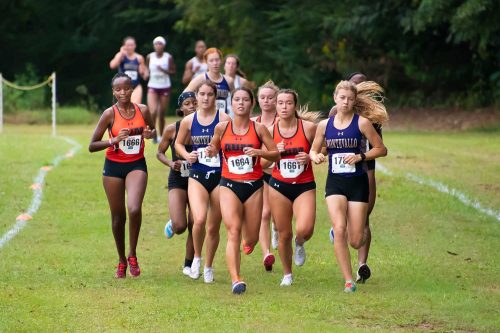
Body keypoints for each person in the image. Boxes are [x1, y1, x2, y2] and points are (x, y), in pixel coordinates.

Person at [310, 80, 387, 293]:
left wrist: (360, 156)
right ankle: (348, 280)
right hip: (335, 183)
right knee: (340, 228)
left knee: (355, 240)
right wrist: (316, 156)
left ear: (355, 101)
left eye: (350, 99)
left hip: (358, 184)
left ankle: (344, 237)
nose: (346, 102)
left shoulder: (362, 123)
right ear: (335, 98)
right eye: (342, 98)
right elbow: (314, 150)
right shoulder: (325, 125)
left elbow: (381, 149)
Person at [205, 87, 279, 294]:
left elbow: (275, 155)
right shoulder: (221, 128)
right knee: (233, 231)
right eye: (236, 99)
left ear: (251, 103)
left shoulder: (259, 129)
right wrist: (211, 150)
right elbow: (213, 147)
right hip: (228, 184)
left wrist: (259, 152)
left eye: (245, 100)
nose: (240, 103)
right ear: (231, 103)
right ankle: (236, 279)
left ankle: (250, 242)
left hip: (254, 186)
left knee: (251, 237)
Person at [88, 73, 155, 278]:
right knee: (118, 217)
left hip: (136, 164)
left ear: (132, 89)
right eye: (118, 89)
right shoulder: (109, 114)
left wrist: (150, 134)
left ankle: (132, 254)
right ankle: (121, 260)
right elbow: (92, 145)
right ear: (113, 92)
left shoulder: (143, 110)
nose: (123, 92)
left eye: (126, 88)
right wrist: (113, 140)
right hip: (113, 167)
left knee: (134, 208)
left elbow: (152, 130)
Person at [328, 72, 385, 284]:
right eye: (354, 85)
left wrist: (362, 156)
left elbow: (379, 146)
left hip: (366, 166)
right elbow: (328, 140)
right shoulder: (335, 112)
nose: (357, 89)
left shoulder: (372, 114)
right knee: (344, 222)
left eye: (361, 86)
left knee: (365, 217)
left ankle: (362, 263)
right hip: (338, 174)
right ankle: (338, 227)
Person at [175, 80, 231, 283]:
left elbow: (231, 145)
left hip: (219, 176)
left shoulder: (223, 119)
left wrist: (218, 149)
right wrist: (186, 155)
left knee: (213, 226)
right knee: (198, 219)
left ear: (215, 97)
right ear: (196, 96)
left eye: (209, 94)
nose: (206, 98)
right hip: (197, 174)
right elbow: (179, 143)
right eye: (202, 94)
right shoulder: (189, 121)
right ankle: (196, 258)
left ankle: (208, 266)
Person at [265, 89, 319, 287]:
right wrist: (273, 155)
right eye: (280, 103)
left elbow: (322, 149)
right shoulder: (269, 131)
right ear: (276, 106)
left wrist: (311, 155)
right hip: (278, 185)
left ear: (295, 105)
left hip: (304, 184)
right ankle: (287, 274)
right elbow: (260, 164)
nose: (284, 107)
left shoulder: (309, 128)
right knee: (284, 233)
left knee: (305, 228)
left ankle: (300, 243)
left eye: (288, 103)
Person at [157, 91, 197, 276]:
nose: (192, 106)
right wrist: (172, 163)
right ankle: (172, 224)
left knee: (195, 223)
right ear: (181, 108)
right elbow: (159, 153)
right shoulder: (172, 129)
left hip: (199, 179)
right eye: (187, 103)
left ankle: (189, 265)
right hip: (178, 178)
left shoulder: (206, 129)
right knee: (181, 225)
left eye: (194, 102)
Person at [251, 80, 280, 271]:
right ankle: (266, 253)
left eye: (270, 97)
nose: (266, 101)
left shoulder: (283, 120)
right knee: (264, 213)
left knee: (278, 216)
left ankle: (277, 230)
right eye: (262, 97)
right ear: (258, 100)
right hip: (259, 172)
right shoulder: (253, 122)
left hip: (279, 172)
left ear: (277, 100)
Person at [184, 48, 234, 116]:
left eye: (217, 60)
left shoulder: (229, 81)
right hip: (205, 120)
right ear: (206, 62)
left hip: (223, 120)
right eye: (211, 60)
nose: (215, 63)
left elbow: (235, 99)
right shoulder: (201, 79)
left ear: (221, 61)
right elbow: (184, 95)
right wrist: (195, 107)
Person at [147, 36, 176, 142]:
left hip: (165, 86)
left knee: (162, 113)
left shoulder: (168, 57)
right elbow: (147, 69)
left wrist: (164, 70)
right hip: (153, 86)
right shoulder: (150, 57)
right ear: (154, 45)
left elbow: (173, 71)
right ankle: (153, 135)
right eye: (156, 43)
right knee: (153, 111)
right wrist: (146, 74)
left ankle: (161, 134)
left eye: (160, 43)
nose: (158, 45)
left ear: (163, 45)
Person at [109, 36, 148, 104]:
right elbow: (112, 66)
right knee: (124, 108)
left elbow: (144, 74)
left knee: (135, 106)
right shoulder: (121, 56)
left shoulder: (139, 58)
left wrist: (143, 72)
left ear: (135, 46)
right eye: (128, 45)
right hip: (122, 87)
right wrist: (121, 53)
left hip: (136, 86)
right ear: (124, 46)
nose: (130, 47)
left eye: (132, 45)